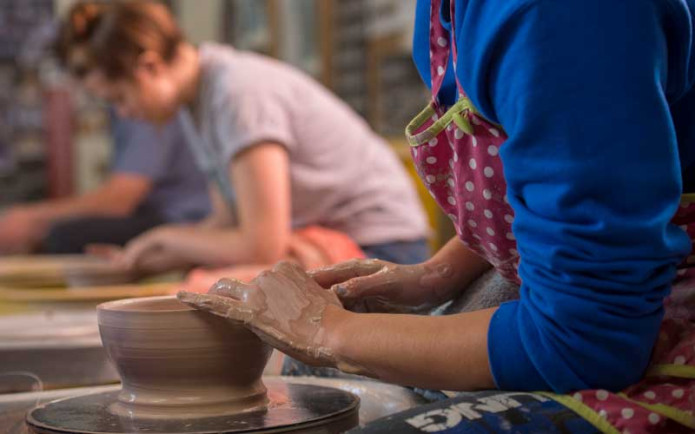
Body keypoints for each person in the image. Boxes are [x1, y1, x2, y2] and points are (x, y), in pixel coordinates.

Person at [180, 0, 695, 432]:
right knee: (311, 376)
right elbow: (551, 188)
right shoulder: (446, 12)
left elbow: (590, 338)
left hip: (653, 326)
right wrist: (435, 275)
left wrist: (326, 331)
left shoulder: (556, 13)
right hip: (588, 300)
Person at [56, 1, 429, 277]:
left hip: (387, 249)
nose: (123, 113)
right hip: (332, 237)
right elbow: (225, 221)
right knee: (199, 280)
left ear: (150, 66)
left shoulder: (237, 93)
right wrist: (140, 259)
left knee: (208, 288)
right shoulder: (196, 102)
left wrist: (164, 238)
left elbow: (260, 246)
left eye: (118, 98)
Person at [0, 112, 210, 255]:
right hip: (163, 216)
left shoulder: (145, 110)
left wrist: (30, 219)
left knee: (64, 236)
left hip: (179, 219)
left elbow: (118, 202)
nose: (123, 109)